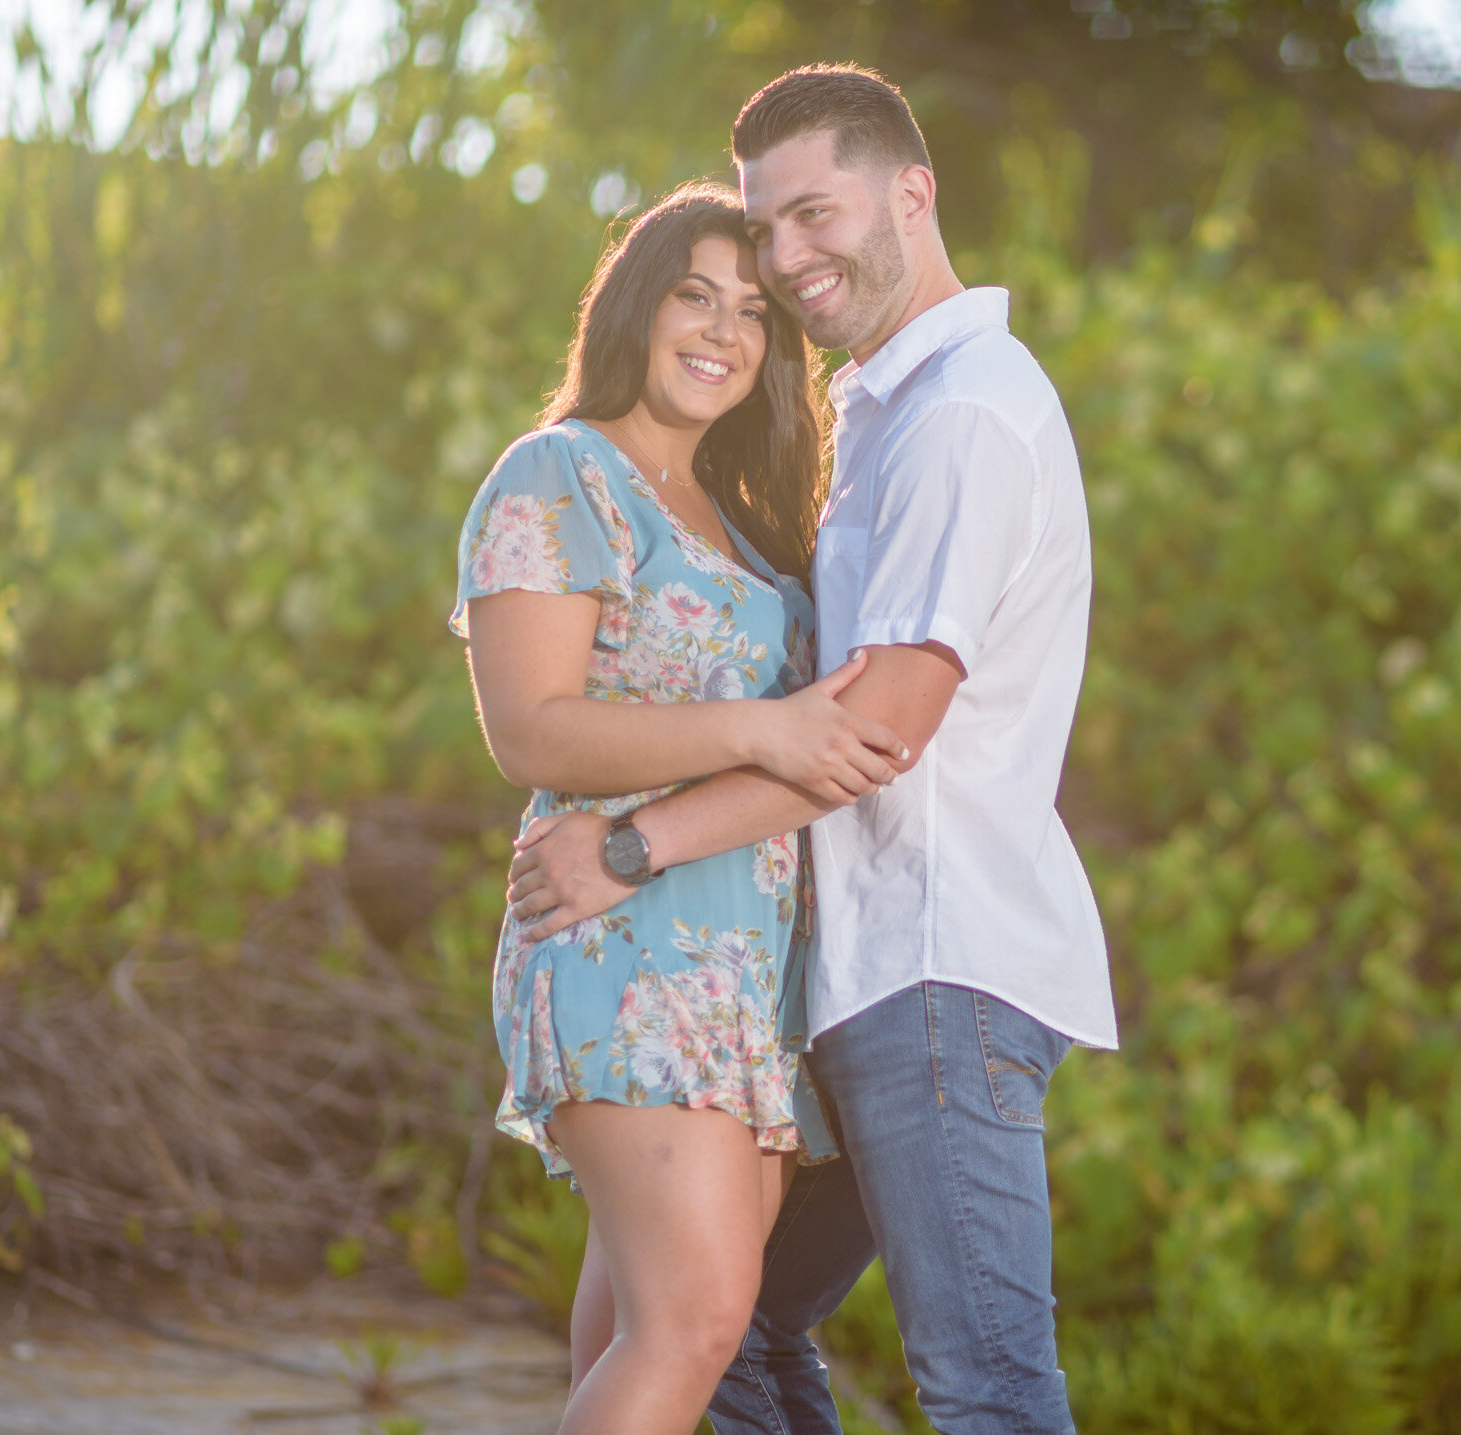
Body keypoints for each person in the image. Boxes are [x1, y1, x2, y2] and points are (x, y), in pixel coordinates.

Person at [509, 66, 1118, 1434]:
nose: (785, 260)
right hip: (841, 976)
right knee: (724, 1328)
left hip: (934, 966)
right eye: (762, 227)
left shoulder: (962, 411)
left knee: (985, 1385)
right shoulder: (883, 411)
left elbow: (881, 723)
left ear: (913, 193)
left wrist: (628, 843)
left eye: (812, 214)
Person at [454, 180, 910, 1435]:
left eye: (754, 311)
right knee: (701, 1320)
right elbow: (528, 727)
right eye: (693, 295)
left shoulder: (743, 517)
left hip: (742, 978)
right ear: (633, 307)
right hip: (623, 936)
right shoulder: (559, 473)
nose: (721, 330)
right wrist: (765, 725)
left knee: (637, 1334)